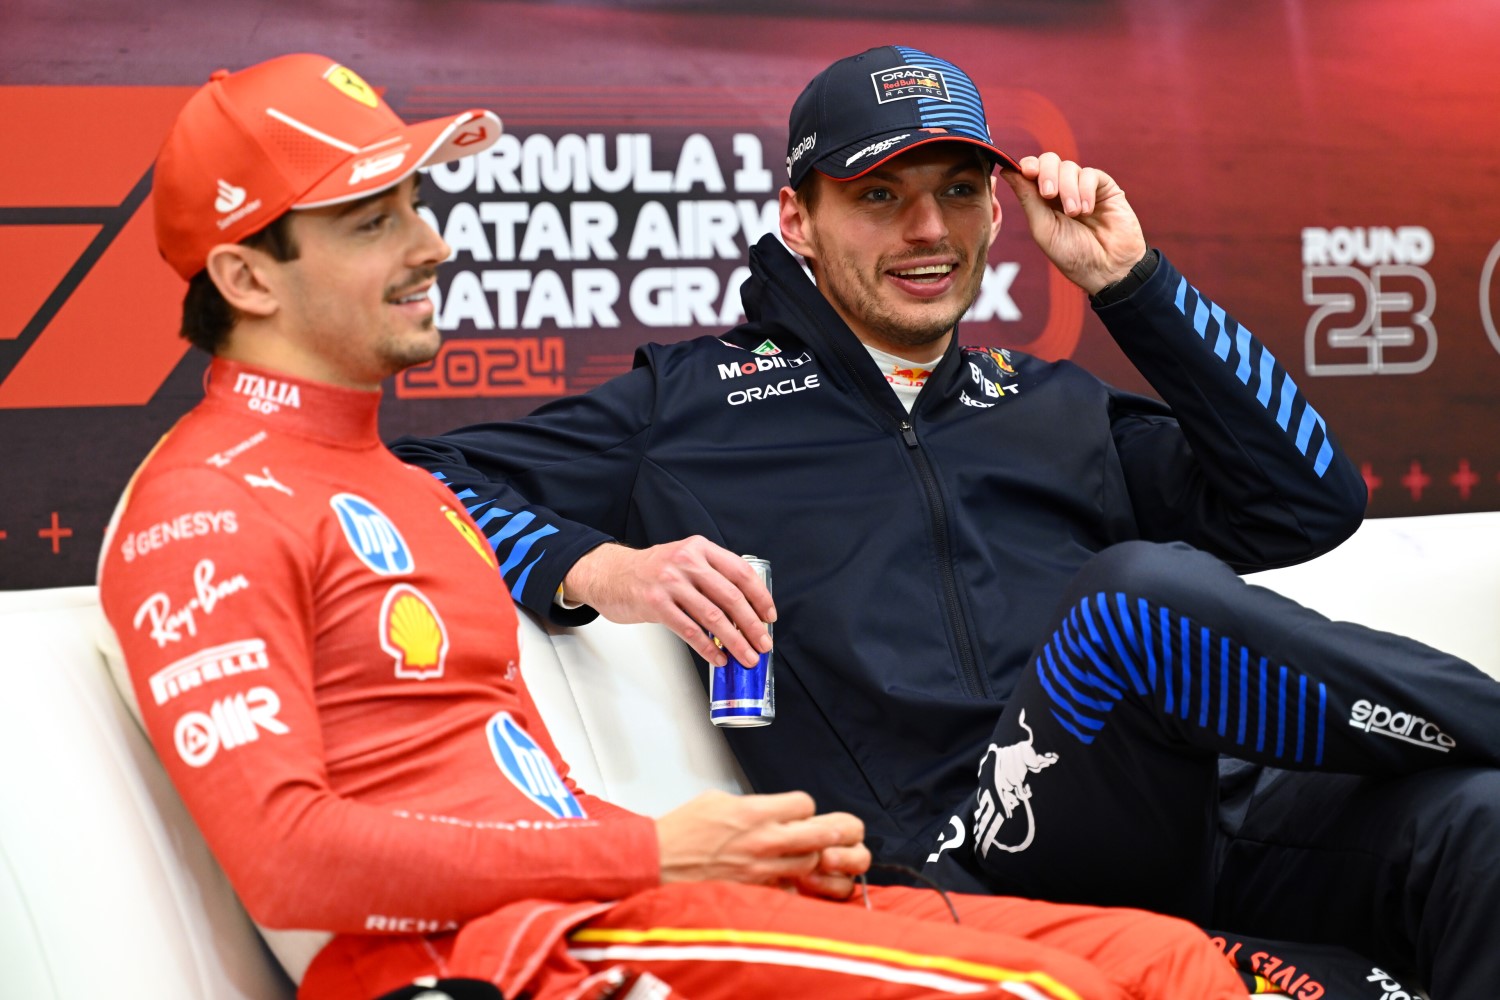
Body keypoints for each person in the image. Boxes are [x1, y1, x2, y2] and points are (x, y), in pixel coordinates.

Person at [96, 52, 1250, 1000]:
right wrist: (657, 846)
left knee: (1168, 956)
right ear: (248, 277)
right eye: (369, 223)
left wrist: (720, 841)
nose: (431, 245)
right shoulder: (201, 506)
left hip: (611, 901)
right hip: (508, 955)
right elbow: (290, 859)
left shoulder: (390, 481)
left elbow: (499, 786)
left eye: (416, 208)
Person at [391, 45, 1500, 999]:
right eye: (880, 195)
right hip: (970, 860)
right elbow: (408, 488)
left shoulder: (1049, 398)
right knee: (1130, 606)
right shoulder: (685, 406)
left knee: (1480, 822)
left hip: (1205, 829)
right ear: (799, 219)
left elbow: (1310, 501)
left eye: (960, 191)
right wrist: (599, 567)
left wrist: (1134, 286)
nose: (930, 230)